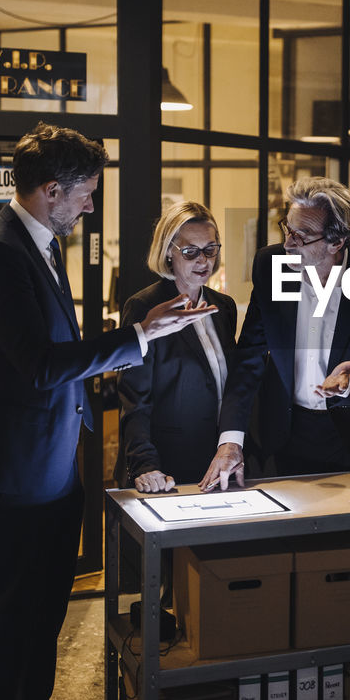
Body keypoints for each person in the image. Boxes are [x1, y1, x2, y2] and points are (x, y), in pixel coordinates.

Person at [0, 122, 214, 700]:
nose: (90, 207)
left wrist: (131, 337)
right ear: (51, 190)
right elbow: (37, 363)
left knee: (45, 604)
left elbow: (53, 355)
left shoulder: (37, 244)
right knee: (8, 615)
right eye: (87, 194)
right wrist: (136, 339)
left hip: (54, 458)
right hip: (15, 464)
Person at [201, 176, 350, 488]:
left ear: (337, 242)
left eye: (302, 235)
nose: (287, 243)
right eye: (287, 229)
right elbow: (248, 358)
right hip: (285, 435)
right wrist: (230, 440)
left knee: (349, 537)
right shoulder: (270, 265)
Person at [114, 201, 237, 493]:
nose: (203, 261)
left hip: (217, 462)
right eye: (190, 252)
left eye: (210, 249)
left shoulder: (224, 306)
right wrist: (145, 465)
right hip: (166, 468)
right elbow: (135, 398)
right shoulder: (145, 307)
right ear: (169, 251)